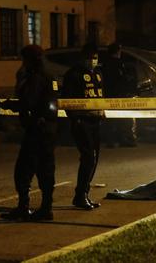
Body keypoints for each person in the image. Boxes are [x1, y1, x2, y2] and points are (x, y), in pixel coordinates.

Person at [0, 45, 58, 221]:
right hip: (48, 129)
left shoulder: (36, 78)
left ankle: (23, 207)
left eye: (24, 59)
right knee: (46, 169)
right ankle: (46, 208)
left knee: (23, 170)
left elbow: (29, 102)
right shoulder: (49, 76)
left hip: (37, 129)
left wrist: (10, 105)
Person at [62, 44, 105, 210]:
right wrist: (75, 118)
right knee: (88, 157)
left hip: (95, 120)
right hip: (82, 120)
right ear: (82, 58)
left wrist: (102, 112)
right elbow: (67, 99)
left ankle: (84, 193)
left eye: (95, 58)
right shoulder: (74, 74)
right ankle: (80, 195)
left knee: (94, 158)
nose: (93, 61)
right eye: (90, 58)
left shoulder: (98, 74)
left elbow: (101, 95)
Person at [101, 43, 137, 147]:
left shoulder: (105, 64)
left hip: (108, 95)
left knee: (110, 119)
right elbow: (124, 80)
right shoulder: (120, 64)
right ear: (118, 51)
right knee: (122, 118)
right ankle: (122, 139)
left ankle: (111, 140)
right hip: (119, 95)